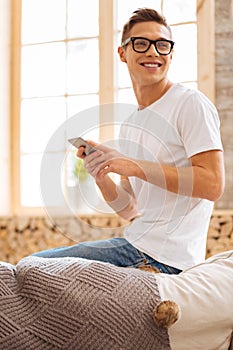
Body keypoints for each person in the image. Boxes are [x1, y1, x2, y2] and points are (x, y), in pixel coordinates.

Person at [33, 8, 225, 274]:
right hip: (133, 244)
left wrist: (135, 166)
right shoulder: (131, 124)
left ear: (171, 53)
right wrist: (102, 174)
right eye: (141, 43)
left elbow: (213, 184)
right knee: (34, 265)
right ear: (122, 53)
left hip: (163, 257)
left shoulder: (190, 104)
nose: (153, 52)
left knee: (36, 266)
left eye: (162, 45)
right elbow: (128, 208)